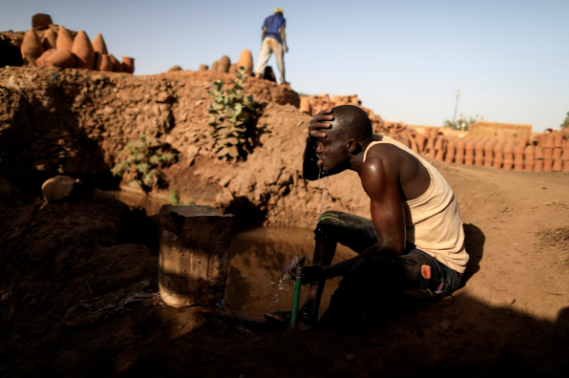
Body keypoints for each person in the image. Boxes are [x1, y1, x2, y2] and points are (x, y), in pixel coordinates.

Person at [285, 105, 469, 328]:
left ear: (351, 145)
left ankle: (327, 330)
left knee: (365, 268)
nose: (319, 151)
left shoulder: (376, 163)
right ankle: (308, 311)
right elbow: (312, 173)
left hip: (438, 265)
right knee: (329, 222)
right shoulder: (361, 148)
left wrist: (326, 272)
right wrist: (309, 139)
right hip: (409, 242)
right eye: (317, 144)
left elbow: (392, 246)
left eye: (324, 145)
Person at [255, 8, 289, 85]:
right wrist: (285, 44)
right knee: (279, 60)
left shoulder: (267, 18)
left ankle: (258, 74)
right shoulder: (282, 19)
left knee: (262, 57)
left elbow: (264, 31)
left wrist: (262, 43)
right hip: (276, 39)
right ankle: (282, 80)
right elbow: (282, 31)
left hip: (266, 39)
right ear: (281, 13)